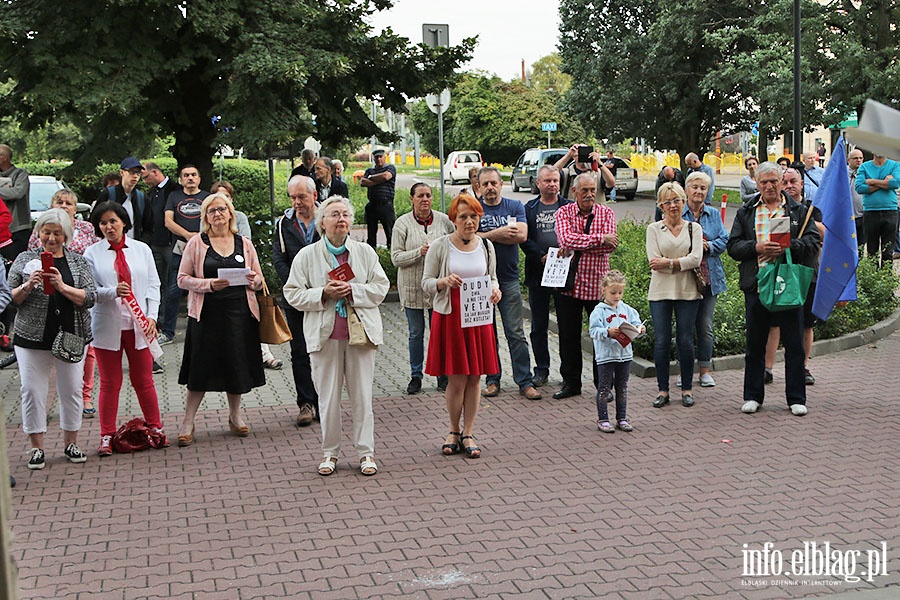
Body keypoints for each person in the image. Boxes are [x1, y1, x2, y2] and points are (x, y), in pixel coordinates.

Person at [283, 196, 389, 476]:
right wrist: (323, 294)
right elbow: (291, 293)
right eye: (334, 215)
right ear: (322, 222)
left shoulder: (365, 252)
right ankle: (330, 453)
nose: (341, 219)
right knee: (327, 398)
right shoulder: (307, 255)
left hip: (360, 336)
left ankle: (366, 453)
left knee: (362, 396)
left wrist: (354, 290)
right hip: (325, 336)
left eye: (345, 214)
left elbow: (381, 287)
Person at [726, 162, 820, 416]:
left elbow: (813, 242)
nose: (769, 186)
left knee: (794, 344)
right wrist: (756, 248)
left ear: (781, 183)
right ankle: (753, 396)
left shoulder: (799, 211)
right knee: (755, 344)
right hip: (757, 285)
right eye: (764, 182)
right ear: (756, 183)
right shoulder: (746, 211)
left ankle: (796, 398)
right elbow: (733, 246)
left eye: (774, 181)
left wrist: (790, 247)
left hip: (788, 285)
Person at [174, 193, 266, 446]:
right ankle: (188, 421)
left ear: (230, 213)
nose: (217, 214)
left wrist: (254, 281)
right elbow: (182, 278)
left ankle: (235, 416)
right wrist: (208, 284)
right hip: (207, 314)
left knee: (236, 364)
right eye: (212, 211)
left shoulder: (244, 243)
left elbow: (259, 278)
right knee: (200, 367)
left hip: (239, 314)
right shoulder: (197, 243)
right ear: (205, 217)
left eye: (222, 210)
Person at [8, 209, 96, 469]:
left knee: (71, 390)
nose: (51, 238)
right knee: (32, 391)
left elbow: (89, 297)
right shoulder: (25, 259)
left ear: (66, 235)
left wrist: (62, 286)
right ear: (39, 233)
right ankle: (36, 447)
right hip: (31, 337)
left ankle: (71, 441)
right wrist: (28, 285)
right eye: (47, 232)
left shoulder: (78, 262)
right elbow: (10, 298)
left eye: (57, 233)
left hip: (71, 334)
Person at [84, 202, 166, 455]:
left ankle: (156, 428)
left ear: (123, 223)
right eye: (103, 223)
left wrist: (152, 317)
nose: (109, 227)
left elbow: (153, 284)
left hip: (139, 325)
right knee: (110, 382)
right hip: (108, 325)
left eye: (113, 221)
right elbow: (89, 292)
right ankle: (106, 434)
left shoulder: (141, 249)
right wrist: (112, 292)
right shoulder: (92, 253)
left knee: (143, 380)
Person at [423, 193, 501, 459]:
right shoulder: (441, 246)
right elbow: (426, 283)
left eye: (474, 216)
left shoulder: (486, 246)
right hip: (451, 317)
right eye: (463, 217)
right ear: (454, 219)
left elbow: (492, 278)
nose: (469, 222)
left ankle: (469, 432)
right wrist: (444, 282)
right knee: (456, 378)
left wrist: (495, 291)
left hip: (478, 318)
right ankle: (453, 430)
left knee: (475, 377)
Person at [27, 190, 102, 413]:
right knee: (51, 349)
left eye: (68, 203)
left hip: (80, 293)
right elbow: (31, 258)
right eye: (59, 202)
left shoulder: (86, 228)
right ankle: (52, 400)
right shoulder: (40, 230)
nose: (63, 205)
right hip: (48, 295)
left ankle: (85, 396)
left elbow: (95, 255)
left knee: (86, 350)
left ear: (75, 207)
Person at [552, 172, 619, 400]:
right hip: (569, 285)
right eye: (585, 191)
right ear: (574, 192)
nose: (590, 194)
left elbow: (611, 246)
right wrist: (599, 239)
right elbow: (565, 240)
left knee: (602, 337)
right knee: (568, 337)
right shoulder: (563, 212)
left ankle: (603, 386)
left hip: (597, 287)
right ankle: (571, 383)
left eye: (593, 190)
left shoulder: (606, 212)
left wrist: (581, 242)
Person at [476, 167, 541, 400]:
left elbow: (521, 236)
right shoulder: (474, 208)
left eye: (494, 183)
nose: (490, 188)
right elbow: (467, 237)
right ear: (479, 187)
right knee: (487, 333)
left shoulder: (514, 206)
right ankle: (492, 380)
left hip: (509, 279)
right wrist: (502, 232)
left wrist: (486, 234)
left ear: (501, 184)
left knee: (515, 332)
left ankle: (524, 381)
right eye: (485, 184)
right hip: (481, 281)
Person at [208, 180, 282, 370]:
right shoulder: (209, 220)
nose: (221, 204)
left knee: (255, 317)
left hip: (241, 279)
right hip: (217, 285)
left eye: (226, 197)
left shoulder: (240, 218)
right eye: (218, 197)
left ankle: (265, 355)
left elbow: (246, 241)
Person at [390, 182, 453, 394]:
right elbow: (396, 258)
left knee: (439, 333)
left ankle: (442, 374)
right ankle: (415, 375)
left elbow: (456, 243)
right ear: (412, 199)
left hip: (438, 288)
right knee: (416, 333)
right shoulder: (402, 224)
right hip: (412, 288)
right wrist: (420, 252)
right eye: (420, 196)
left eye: (428, 195)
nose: (425, 199)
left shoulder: (444, 220)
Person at [646, 182, 703, 408]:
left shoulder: (694, 229)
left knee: (686, 341)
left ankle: (687, 389)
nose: (673, 206)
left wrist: (669, 262)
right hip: (660, 292)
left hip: (687, 291)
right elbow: (653, 262)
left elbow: (696, 259)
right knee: (661, 342)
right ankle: (663, 390)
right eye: (667, 202)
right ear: (661, 205)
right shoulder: (654, 229)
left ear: (684, 201)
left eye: (677, 200)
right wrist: (681, 263)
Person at [273, 175, 321, 427]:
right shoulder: (283, 224)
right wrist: (295, 283)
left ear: (314, 195)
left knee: (324, 352)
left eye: (301, 196)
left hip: (324, 297)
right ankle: (305, 403)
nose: (297, 202)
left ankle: (323, 401)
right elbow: (278, 259)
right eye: (292, 197)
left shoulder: (328, 218)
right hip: (295, 299)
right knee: (299, 352)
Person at [521, 166, 571, 388]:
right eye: (548, 181)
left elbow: (575, 233)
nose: (552, 184)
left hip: (564, 274)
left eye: (555, 181)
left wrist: (567, 249)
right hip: (538, 273)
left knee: (567, 325)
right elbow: (524, 238)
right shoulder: (529, 208)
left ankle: (568, 371)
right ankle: (541, 369)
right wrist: (540, 255)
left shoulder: (568, 207)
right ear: (538, 183)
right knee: (539, 326)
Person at [681, 172, 728, 388]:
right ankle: (685, 371)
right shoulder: (678, 212)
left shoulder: (713, 214)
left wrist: (707, 246)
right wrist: (693, 247)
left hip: (709, 276)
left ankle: (705, 370)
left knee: (705, 325)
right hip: (685, 277)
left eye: (703, 188)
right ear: (687, 189)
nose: (699, 191)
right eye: (695, 187)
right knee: (685, 326)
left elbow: (724, 239)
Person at [588, 270, 644, 433]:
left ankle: (622, 418)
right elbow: (593, 331)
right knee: (604, 387)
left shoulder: (628, 310)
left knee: (622, 387)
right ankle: (603, 419)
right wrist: (607, 332)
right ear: (603, 290)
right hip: (606, 356)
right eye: (613, 292)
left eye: (620, 292)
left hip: (625, 355)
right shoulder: (598, 311)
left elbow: (636, 324)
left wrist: (640, 330)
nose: (617, 296)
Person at [160, 164, 209, 344]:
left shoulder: (207, 197)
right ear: (181, 179)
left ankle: (205, 330)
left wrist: (200, 236)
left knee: (206, 288)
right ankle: (167, 332)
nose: (190, 178)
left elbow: (214, 218)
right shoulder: (174, 196)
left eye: (193, 175)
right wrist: (188, 235)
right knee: (174, 290)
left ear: (199, 178)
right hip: (180, 249)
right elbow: (168, 221)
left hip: (204, 248)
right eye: (186, 175)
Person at [142, 162, 181, 325]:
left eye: (146, 177)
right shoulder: (151, 193)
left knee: (173, 282)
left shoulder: (175, 189)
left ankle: (168, 317)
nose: (144, 181)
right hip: (155, 242)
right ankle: (158, 316)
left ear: (155, 172)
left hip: (171, 243)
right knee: (157, 281)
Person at [855, 153, 900, 267]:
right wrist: (884, 182)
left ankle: (886, 280)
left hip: (890, 210)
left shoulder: (894, 165)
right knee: (871, 250)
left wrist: (871, 181)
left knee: (888, 250)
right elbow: (859, 187)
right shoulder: (864, 167)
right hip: (870, 211)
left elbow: (895, 183)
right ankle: (872, 280)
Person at [94, 157, 153, 241]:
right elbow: (95, 220)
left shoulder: (142, 198)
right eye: (132, 172)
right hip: (109, 245)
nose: (135, 176)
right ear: (122, 172)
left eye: (138, 173)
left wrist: (141, 243)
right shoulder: (108, 194)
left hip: (133, 247)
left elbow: (149, 226)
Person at [360, 149, 397, 248]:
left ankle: (391, 254)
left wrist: (371, 178)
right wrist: (379, 179)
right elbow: (363, 182)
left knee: (390, 232)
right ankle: (371, 253)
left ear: (385, 157)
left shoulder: (390, 168)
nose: (379, 159)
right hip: (372, 205)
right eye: (377, 157)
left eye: (381, 157)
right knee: (371, 234)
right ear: (373, 159)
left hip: (386, 205)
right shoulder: (369, 170)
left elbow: (386, 176)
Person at [847, 148, 866, 251]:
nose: (858, 160)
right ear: (849, 160)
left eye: (860, 158)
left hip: (862, 215)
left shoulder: (865, 172)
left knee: (861, 245)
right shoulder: (843, 173)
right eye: (855, 158)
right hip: (848, 216)